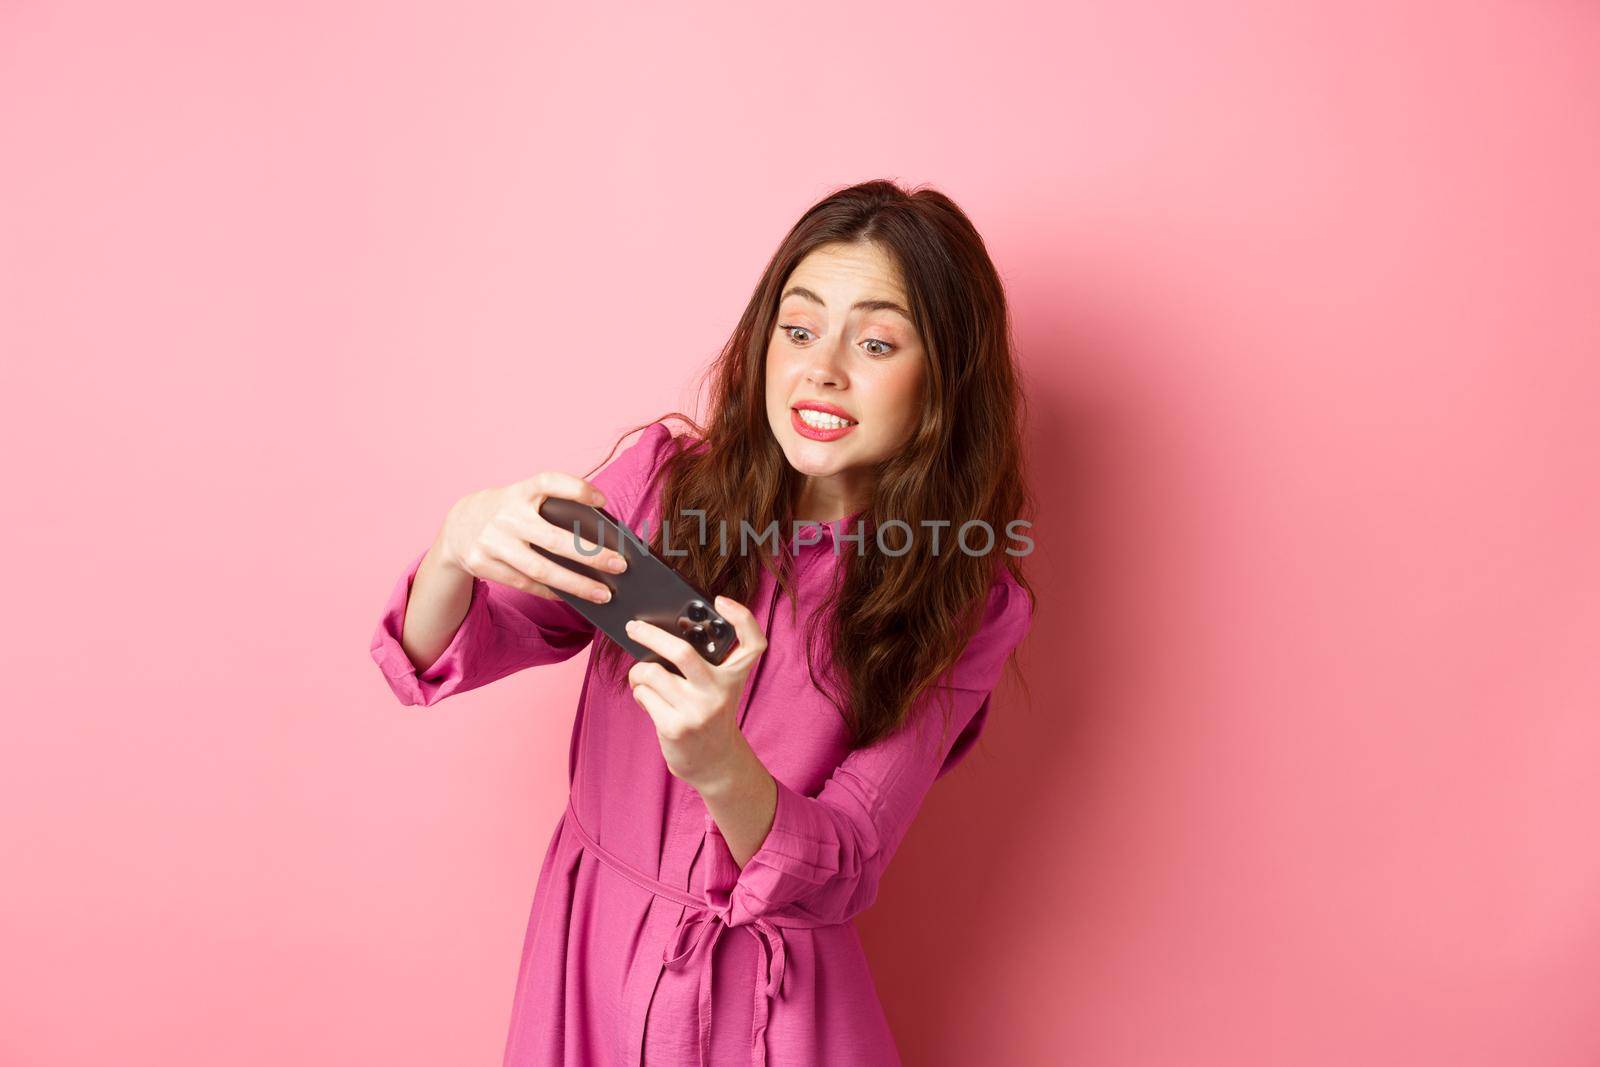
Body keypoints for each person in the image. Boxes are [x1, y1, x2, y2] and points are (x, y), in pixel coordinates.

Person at [369, 179, 1036, 1066]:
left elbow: (847, 857)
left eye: (875, 341)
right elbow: (435, 654)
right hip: (587, 968)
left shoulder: (971, 599)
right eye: (797, 331)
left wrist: (719, 762)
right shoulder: (663, 484)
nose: (821, 369)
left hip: (771, 1016)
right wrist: (457, 544)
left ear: (945, 376)